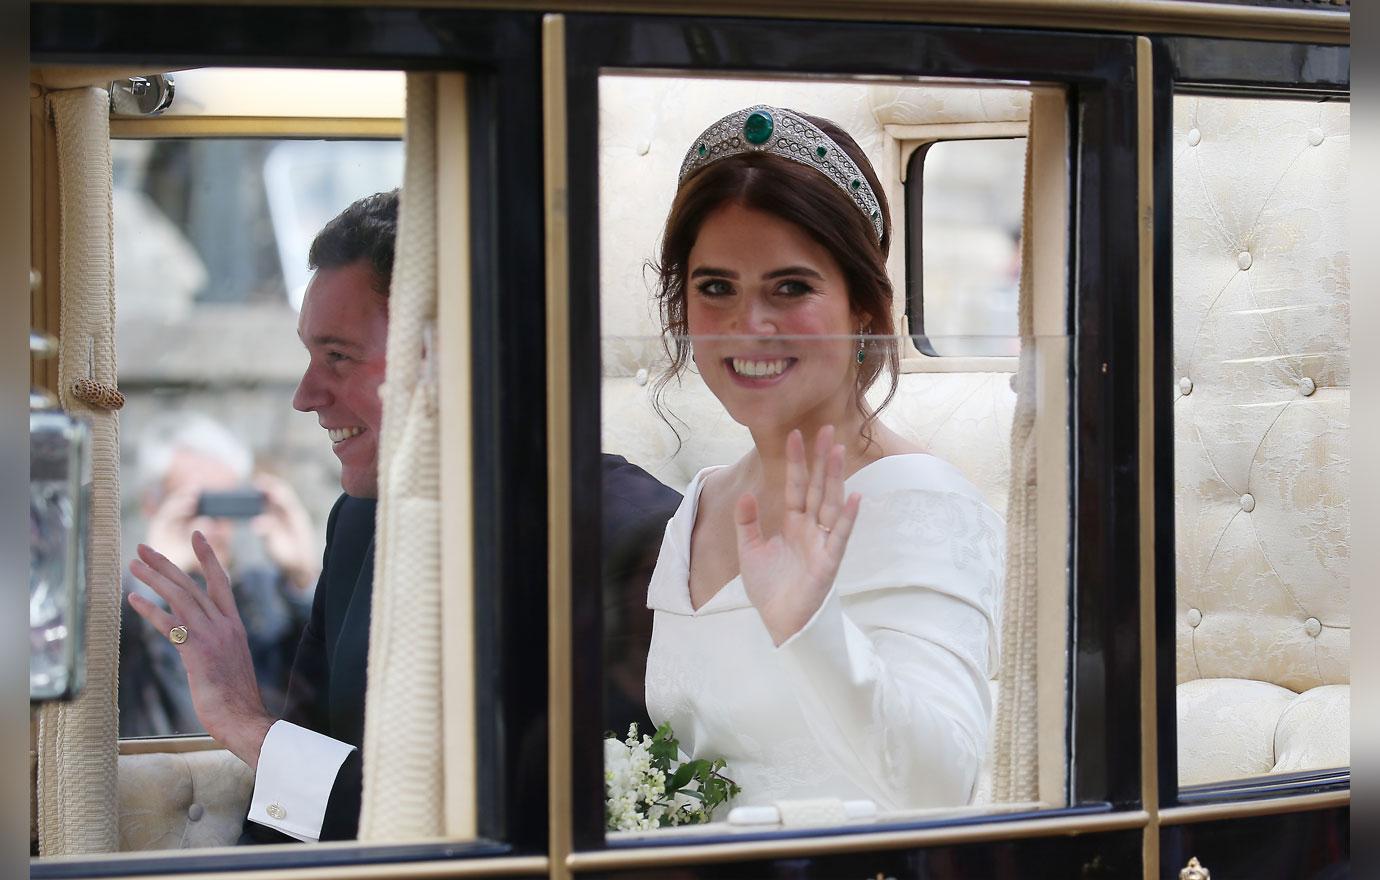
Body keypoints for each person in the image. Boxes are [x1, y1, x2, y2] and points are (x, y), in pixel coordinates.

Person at [127, 189, 680, 843]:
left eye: (338, 356)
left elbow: (521, 827)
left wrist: (251, 728)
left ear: (452, 357)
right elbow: (291, 825)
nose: (306, 397)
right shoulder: (357, 523)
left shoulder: (629, 534)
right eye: (310, 355)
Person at [642, 105, 1004, 812]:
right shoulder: (701, 506)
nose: (751, 325)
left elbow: (943, 786)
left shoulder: (921, 503)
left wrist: (812, 631)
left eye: (792, 287)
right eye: (716, 288)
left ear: (863, 308)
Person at [119, 413, 318, 737]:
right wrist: (159, 586)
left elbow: (321, 692)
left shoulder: (265, 598)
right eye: (197, 505)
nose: (211, 525)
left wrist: (302, 581)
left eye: (224, 504)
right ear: (152, 505)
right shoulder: (118, 607)